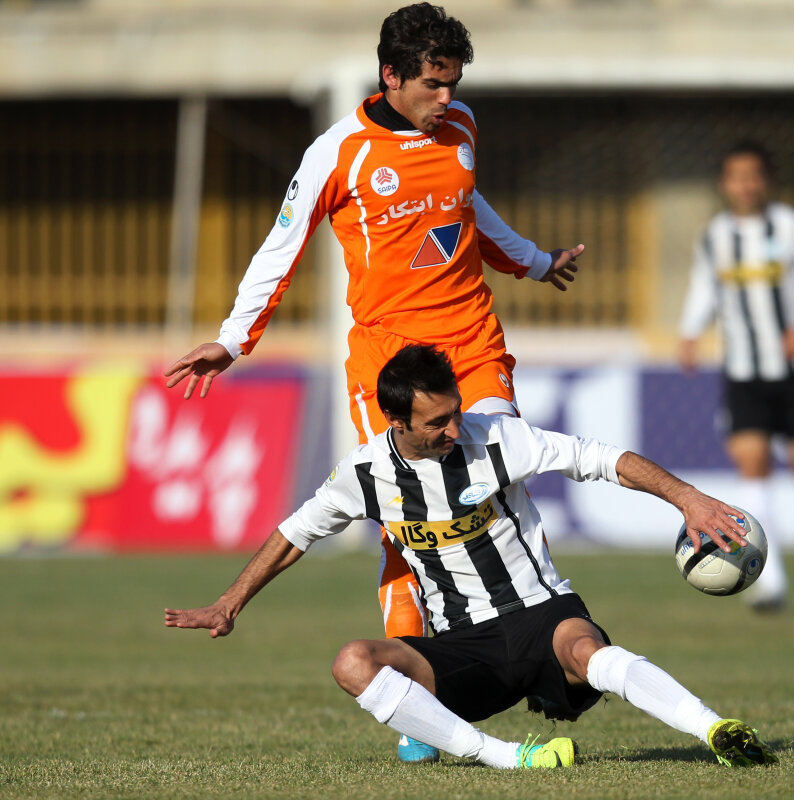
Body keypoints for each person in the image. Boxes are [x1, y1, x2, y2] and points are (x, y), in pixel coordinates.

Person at [162, 4, 584, 761]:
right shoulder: (339, 153)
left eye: (453, 85)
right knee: (404, 518)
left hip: (472, 344)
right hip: (388, 364)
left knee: (501, 483)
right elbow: (281, 245)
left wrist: (531, 260)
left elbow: (466, 207)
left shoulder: (460, 127)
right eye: (431, 85)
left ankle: (542, 652)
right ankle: (419, 699)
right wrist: (234, 338)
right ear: (390, 75)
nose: (446, 99)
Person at [164, 344, 778, 771]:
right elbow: (293, 534)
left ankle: (714, 729)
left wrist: (688, 499)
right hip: (463, 646)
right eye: (437, 422)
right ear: (396, 421)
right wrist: (229, 603)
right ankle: (509, 758)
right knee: (352, 662)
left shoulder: (496, 437)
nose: (455, 429)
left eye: (456, 412)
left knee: (585, 650)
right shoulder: (364, 475)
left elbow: (600, 458)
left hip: (541, 613)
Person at [678, 141, 794, 600]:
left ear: (768, 180)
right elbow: (704, 287)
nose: (746, 185)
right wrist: (690, 331)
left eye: (754, 176)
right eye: (737, 177)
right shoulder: (715, 236)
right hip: (743, 372)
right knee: (753, 465)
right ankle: (769, 581)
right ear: (724, 184)